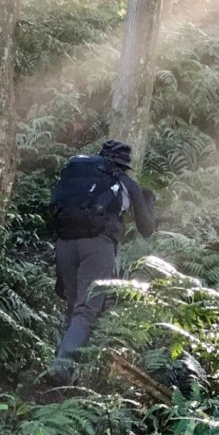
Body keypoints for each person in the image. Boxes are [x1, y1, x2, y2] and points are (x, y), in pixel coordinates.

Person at [45, 140, 155, 379]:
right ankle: (61, 369)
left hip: (64, 243)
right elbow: (147, 229)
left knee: (74, 307)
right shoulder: (126, 182)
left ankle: (66, 370)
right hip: (98, 246)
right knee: (86, 312)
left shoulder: (79, 176)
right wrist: (149, 202)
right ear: (125, 165)